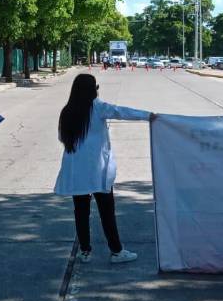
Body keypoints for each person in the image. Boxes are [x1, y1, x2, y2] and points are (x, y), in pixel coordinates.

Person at [55, 74, 156, 264]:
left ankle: (84, 251)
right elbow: (122, 112)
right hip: (97, 170)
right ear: (93, 89)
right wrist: (148, 116)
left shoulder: (67, 111)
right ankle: (116, 251)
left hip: (77, 170)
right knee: (107, 212)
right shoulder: (98, 107)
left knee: (81, 211)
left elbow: (62, 138)